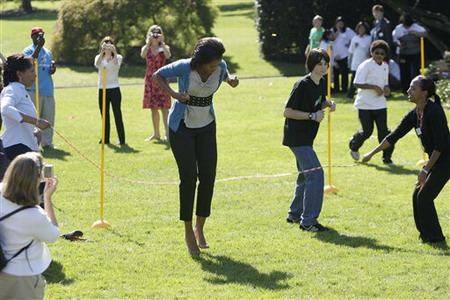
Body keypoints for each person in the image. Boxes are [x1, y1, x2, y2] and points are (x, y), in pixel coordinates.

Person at [153, 37, 239, 254]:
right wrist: (174, 94)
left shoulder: (221, 66)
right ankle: (188, 230)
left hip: (206, 125)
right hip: (181, 127)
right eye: (211, 65)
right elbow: (158, 75)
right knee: (189, 177)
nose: (215, 68)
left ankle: (200, 227)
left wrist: (230, 79)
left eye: (218, 64)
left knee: (208, 176)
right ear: (199, 62)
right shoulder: (184, 67)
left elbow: (225, 73)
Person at [362, 75, 449, 244]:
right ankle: (425, 235)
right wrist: (371, 153)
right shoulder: (415, 113)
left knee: (424, 197)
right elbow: (394, 136)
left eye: (413, 88)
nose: (408, 91)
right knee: (417, 194)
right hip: (436, 158)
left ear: (424, 93)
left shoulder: (434, 112)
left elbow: (440, 146)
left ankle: (436, 238)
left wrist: (425, 170)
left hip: (446, 159)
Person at [283, 48, 336, 232]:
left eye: (325, 64)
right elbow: (287, 111)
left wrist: (327, 103)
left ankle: (294, 214)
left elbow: (318, 101)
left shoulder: (320, 82)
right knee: (316, 174)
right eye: (319, 64)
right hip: (297, 138)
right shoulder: (302, 84)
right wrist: (312, 116)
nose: (323, 68)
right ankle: (308, 222)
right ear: (311, 65)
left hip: (307, 137)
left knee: (305, 175)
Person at [0, 152, 59, 299]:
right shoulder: (34, 215)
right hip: (22, 275)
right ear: (37, 178)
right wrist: (47, 198)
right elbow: (53, 235)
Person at [348, 40, 395, 165]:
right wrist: (374, 87)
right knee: (367, 131)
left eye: (382, 53)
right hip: (364, 104)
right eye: (377, 52)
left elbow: (385, 84)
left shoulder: (385, 66)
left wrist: (387, 89)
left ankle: (387, 158)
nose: (379, 55)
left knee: (384, 132)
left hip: (380, 104)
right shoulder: (365, 65)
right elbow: (356, 83)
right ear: (372, 52)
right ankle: (354, 144)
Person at [1, 53, 51, 162]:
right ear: (19, 74)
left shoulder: (20, 89)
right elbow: (5, 109)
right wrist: (36, 122)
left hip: (22, 146)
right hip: (15, 147)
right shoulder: (13, 89)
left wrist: (33, 132)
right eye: (32, 71)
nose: (35, 75)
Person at [23, 27, 57, 149]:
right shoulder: (27, 50)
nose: (39, 37)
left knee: (48, 117)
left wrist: (52, 69)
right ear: (32, 37)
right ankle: (31, 142)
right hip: (33, 89)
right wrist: (38, 47)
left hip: (47, 89)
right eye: (36, 35)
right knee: (33, 117)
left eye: (41, 35)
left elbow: (48, 68)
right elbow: (30, 61)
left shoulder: (47, 52)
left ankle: (47, 143)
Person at [141, 25, 172, 142]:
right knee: (153, 108)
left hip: (162, 78)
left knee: (164, 108)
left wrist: (162, 42)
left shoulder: (164, 47)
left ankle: (168, 135)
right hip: (150, 80)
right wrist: (149, 43)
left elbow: (168, 55)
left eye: (158, 32)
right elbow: (143, 55)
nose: (155, 34)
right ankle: (156, 134)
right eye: (153, 32)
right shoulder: (146, 47)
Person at [94, 36, 125, 145]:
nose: (107, 47)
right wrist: (102, 52)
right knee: (104, 115)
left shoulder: (118, 57)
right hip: (103, 89)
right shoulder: (99, 58)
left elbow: (116, 65)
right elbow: (97, 65)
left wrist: (114, 52)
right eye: (105, 44)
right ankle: (105, 138)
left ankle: (122, 139)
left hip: (114, 88)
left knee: (117, 114)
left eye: (109, 44)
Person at [392, 14, 428, 94]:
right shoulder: (398, 29)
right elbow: (394, 40)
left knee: (415, 71)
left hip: (415, 53)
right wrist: (399, 45)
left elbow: (425, 34)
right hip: (403, 53)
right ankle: (405, 89)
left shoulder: (416, 27)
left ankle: (417, 89)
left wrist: (415, 33)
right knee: (404, 72)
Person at [347, 21, 372, 98]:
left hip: (365, 61)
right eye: (360, 28)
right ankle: (350, 94)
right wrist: (349, 62)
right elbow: (351, 51)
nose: (361, 30)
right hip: (355, 62)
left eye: (363, 28)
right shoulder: (354, 38)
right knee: (353, 78)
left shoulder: (369, 38)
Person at [332, 16, 355, 93]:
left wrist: (349, 44)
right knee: (336, 74)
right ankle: (336, 89)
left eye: (341, 23)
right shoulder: (332, 31)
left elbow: (355, 38)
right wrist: (337, 31)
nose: (340, 25)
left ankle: (344, 89)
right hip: (335, 56)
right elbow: (331, 39)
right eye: (338, 23)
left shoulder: (348, 31)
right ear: (335, 24)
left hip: (345, 55)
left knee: (344, 73)